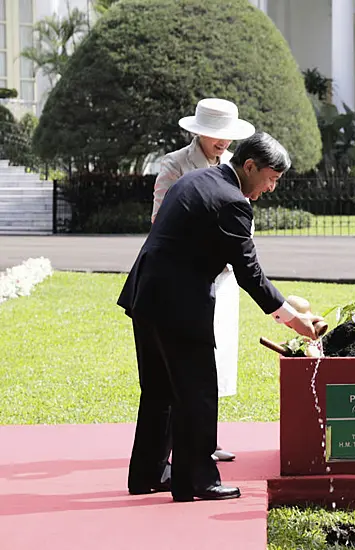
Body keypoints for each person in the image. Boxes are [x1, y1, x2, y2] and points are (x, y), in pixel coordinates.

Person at [118, 132, 324, 502]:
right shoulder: (232, 202)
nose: (272, 188)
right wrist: (293, 318)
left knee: (159, 391)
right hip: (178, 304)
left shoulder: (197, 179)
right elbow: (250, 274)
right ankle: (197, 480)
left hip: (145, 296)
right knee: (197, 391)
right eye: (272, 178)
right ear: (249, 166)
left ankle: (148, 473)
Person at [152, 97, 254, 462]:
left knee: (217, 358)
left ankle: (204, 440)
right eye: (215, 135)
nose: (221, 142)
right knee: (185, 364)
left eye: (226, 136)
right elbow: (162, 219)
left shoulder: (233, 166)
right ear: (198, 133)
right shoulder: (175, 164)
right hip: (188, 275)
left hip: (224, 275)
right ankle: (185, 445)